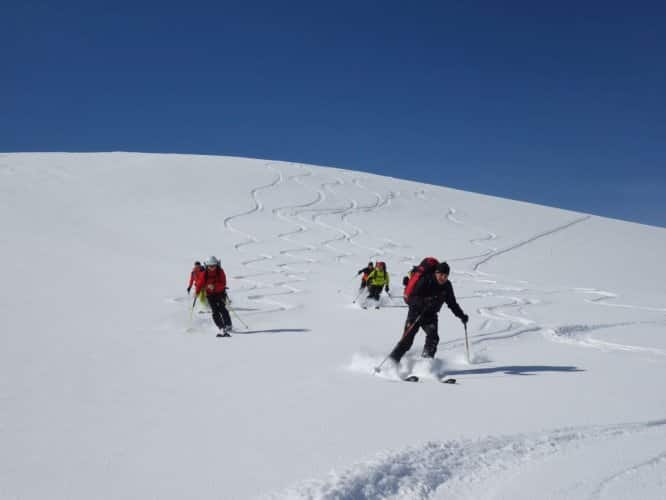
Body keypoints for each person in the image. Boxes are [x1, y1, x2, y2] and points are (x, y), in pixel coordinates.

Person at [389, 261, 468, 362]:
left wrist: (461, 316)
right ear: (436, 273)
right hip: (416, 313)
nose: (443, 277)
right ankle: (392, 361)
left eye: (446, 275)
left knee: (433, 338)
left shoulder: (447, 286)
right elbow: (412, 297)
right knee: (407, 340)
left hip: (431, 315)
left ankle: (426, 363)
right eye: (441, 274)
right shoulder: (426, 280)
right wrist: (424, 301)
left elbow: (452, 303)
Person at [195, 256, 233, 336]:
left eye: (214, 265)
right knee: (215, 311)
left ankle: (228, 325)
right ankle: (221, 327)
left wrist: (214, 286)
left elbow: (223, 283)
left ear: (217, 265)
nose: (212, 267)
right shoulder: (204, 274)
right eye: (210, 266)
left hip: (220, 293)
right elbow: (200, 283)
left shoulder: (220, 272)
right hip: (210, 295)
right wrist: (197, 292)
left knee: (222, 309)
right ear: (207, 266)